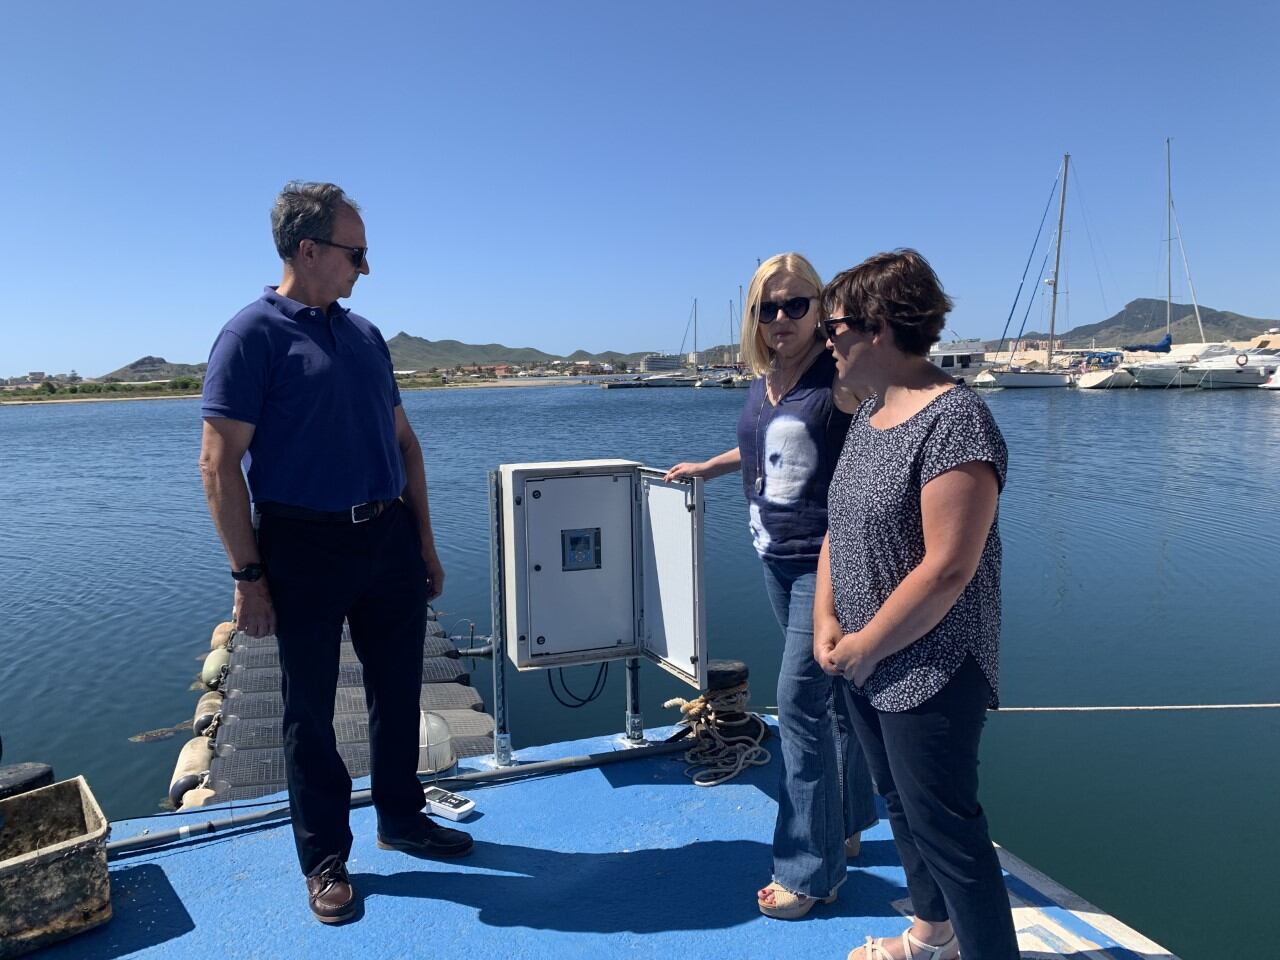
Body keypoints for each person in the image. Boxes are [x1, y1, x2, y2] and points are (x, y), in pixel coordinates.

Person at [198, 182, 472, 924]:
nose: (366, 267)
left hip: (385, 536)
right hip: (303, 544)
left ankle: (402, 816)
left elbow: (404, 443)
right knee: (309, 711)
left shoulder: (364, 336)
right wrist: (248, 575)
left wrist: (424, 542)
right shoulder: (250, 336)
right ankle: (325, 857)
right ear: (309, 250)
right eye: (357, 252)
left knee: (398, 689)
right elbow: (219, 465)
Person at [815, 249, 1018, 960]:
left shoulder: (955, 421)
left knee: (949, 826)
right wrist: (826, 622)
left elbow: (947, 568)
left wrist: (866, 644)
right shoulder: (870, 415)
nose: (824, 337)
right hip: (864, 662)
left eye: (833, 323)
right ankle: (934, 938)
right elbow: (838, 529)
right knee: (899, 806)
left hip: (930, 662)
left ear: (877, 326)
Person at [665, 253, 877, 919]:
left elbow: (883, 427)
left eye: (796, 304)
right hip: (775, 559)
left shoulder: (837, 379)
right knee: (834, 701)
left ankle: (810, 873)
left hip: (828, 562)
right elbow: (767, 448)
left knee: (800, 708)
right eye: (768, 307)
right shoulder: (764, 382)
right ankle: (844, 826)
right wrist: (709, 467)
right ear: (752, 317)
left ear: (820, 309)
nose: (782, 318)